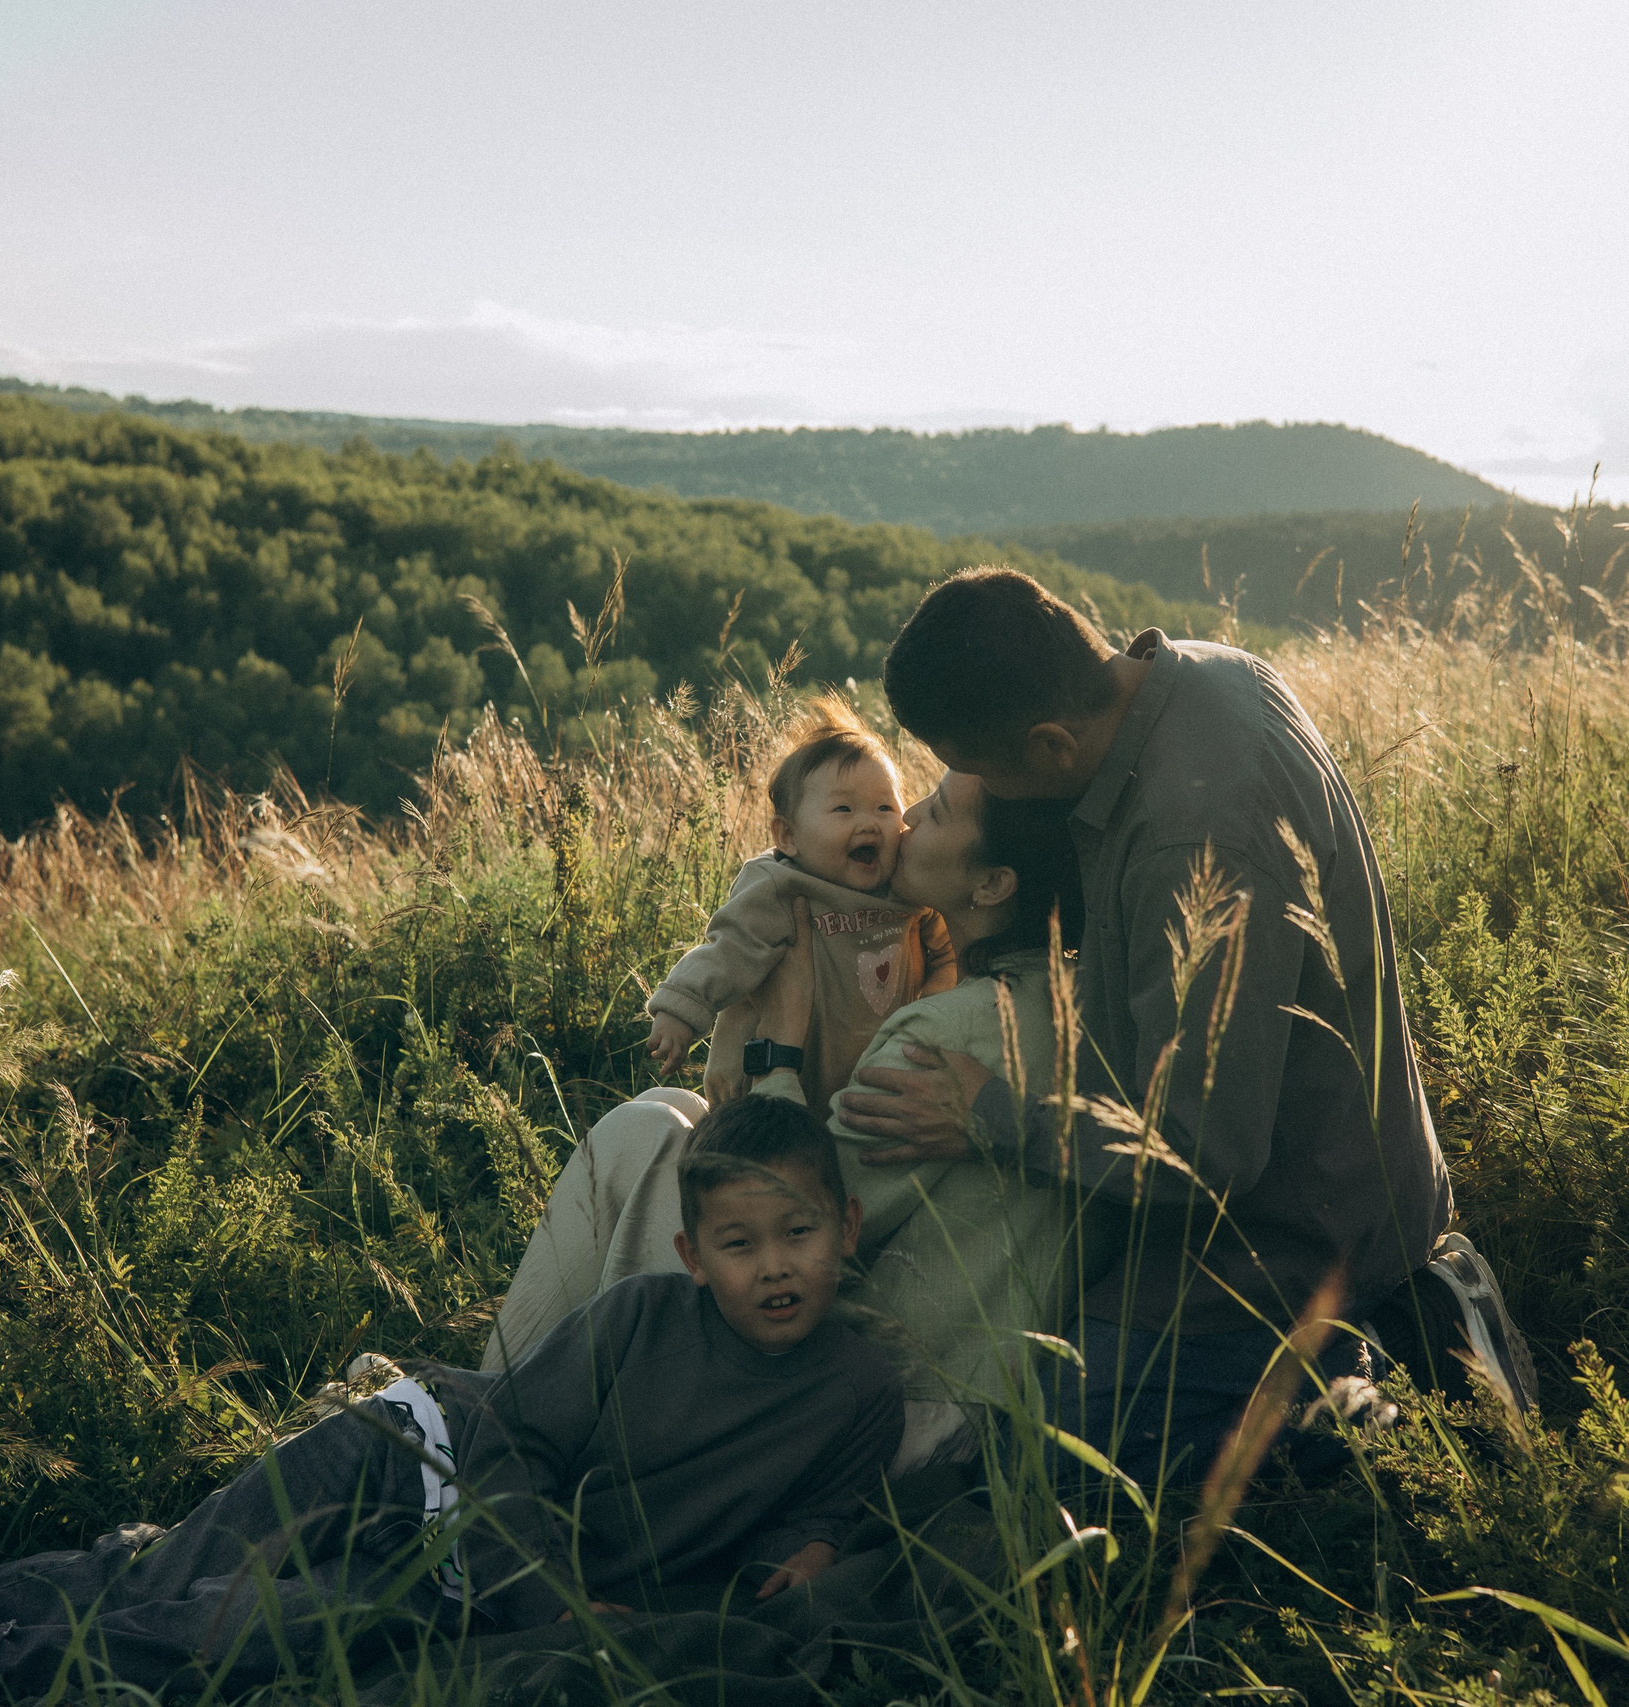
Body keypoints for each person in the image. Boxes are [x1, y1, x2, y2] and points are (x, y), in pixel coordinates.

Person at [0, 1099, 901, 1707]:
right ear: (696, 1257)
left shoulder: (856, 1385)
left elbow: (828, 1507)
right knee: (165, 1567)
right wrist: (551, 1599)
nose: (776, 1267)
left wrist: (806, 1550)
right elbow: (509, 1450)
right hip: (420, 1458)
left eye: (799, 1234)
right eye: (742, 1245)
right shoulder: (645, 1318)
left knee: (234, 1622)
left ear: (845, 1231)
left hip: (471, 1584)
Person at [839, 567, 1535, 1485]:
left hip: (1287, 1230)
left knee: (1040, 1457)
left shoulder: (1194, 840)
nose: (968, 794)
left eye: (979, 772)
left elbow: (1206, 1157)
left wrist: (989, 1113)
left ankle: (1377, 1388)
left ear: (1048, 744)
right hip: (1317, 1174)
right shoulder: (1208, 673)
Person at [483, 769, 1096, 1472]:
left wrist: (779, 1043)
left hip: (870, 1408)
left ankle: (482, 1423)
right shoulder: (1082, 1006)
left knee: (638, 1131)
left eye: (939, 808)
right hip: (987, 1394)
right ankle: (511, 1411)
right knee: (674, 1114)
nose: (909, 816)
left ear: (991, 884)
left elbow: (789, 1203)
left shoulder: (954, 1032)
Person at [643, 695, 957, 1111]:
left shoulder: (905, 887)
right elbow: (727, 950)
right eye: (843, 808)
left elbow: (949, 947)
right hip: (767, 1077)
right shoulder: (781, 886)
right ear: (788, 836)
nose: (869, 822)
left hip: (863, 1080)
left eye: (885, 807)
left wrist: (932, 1003)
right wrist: (681, 1012)